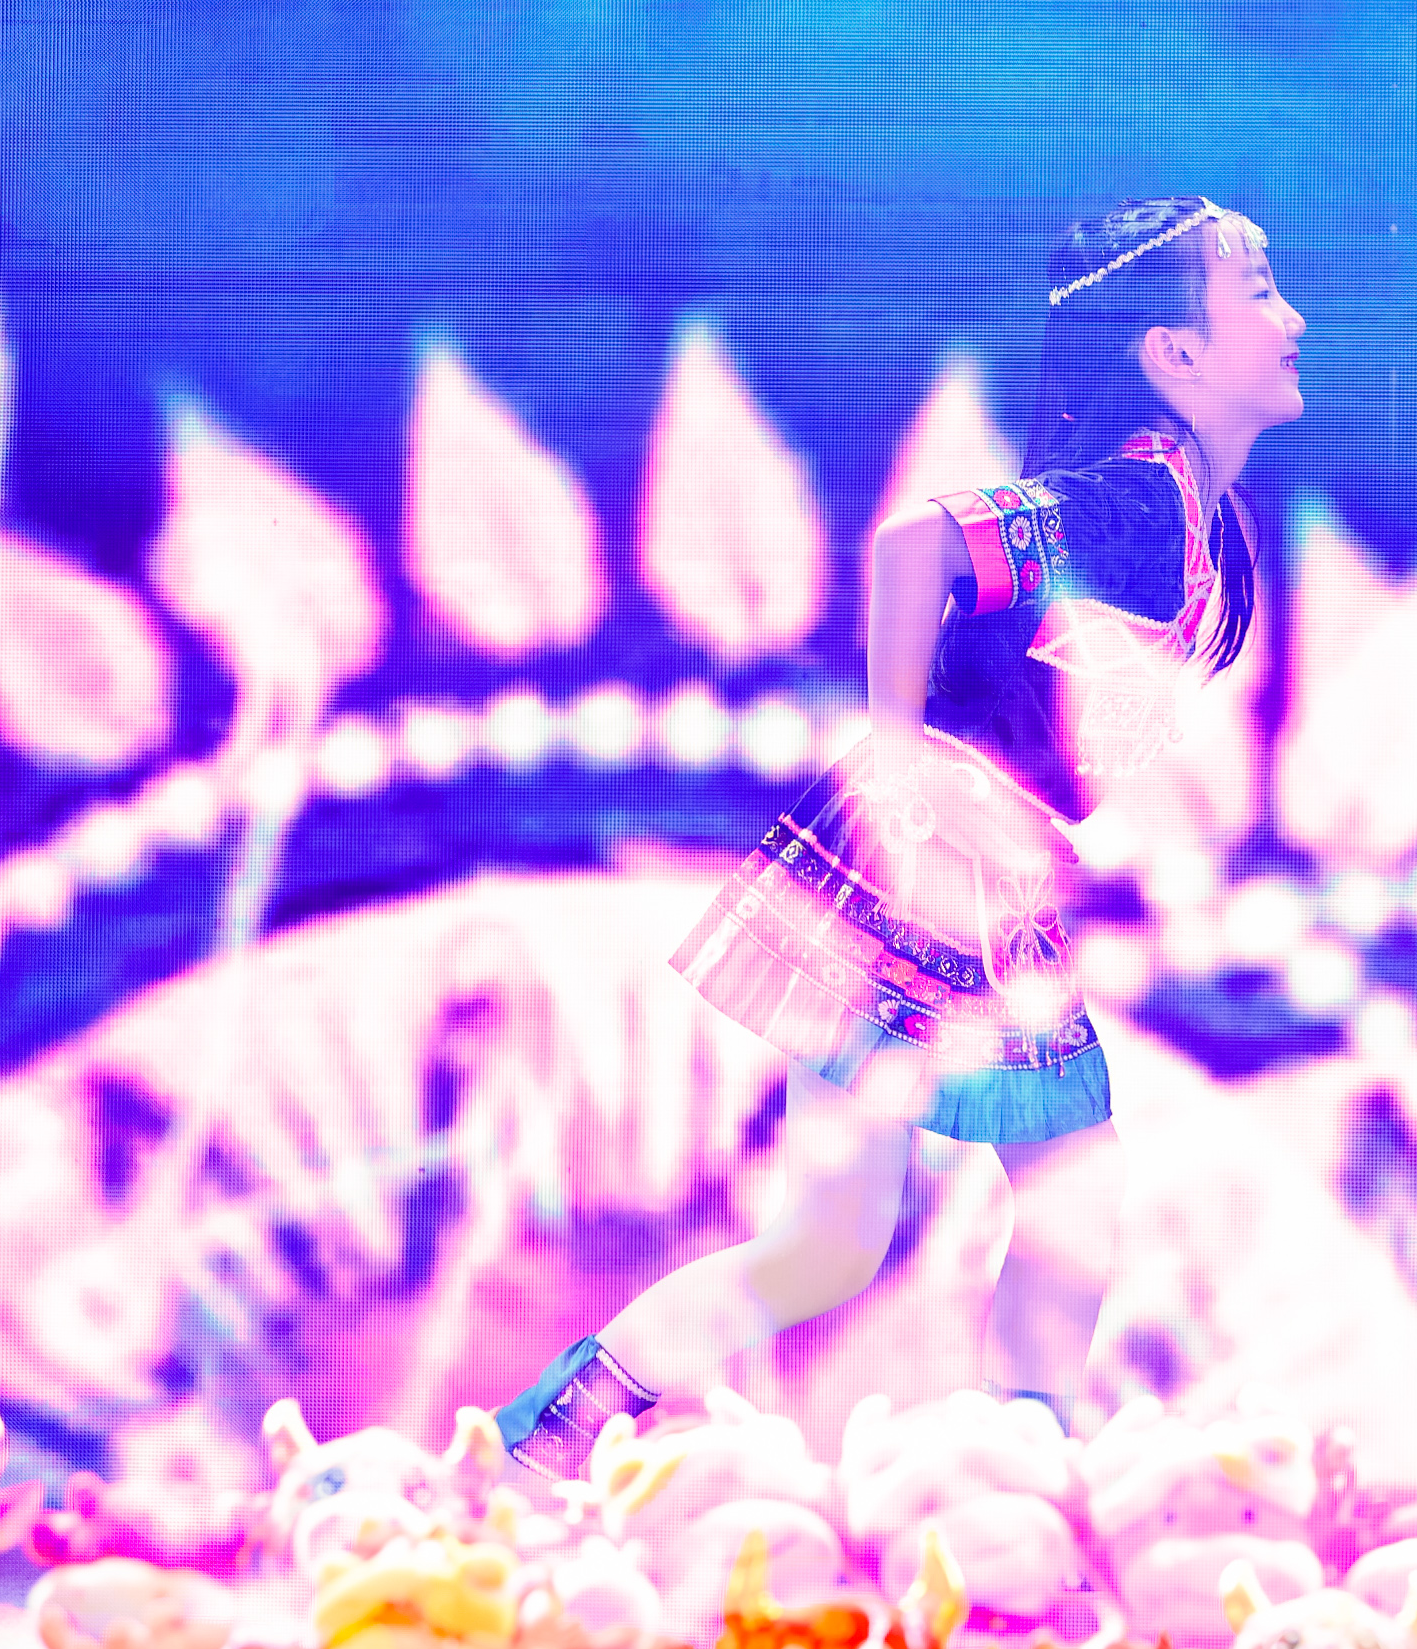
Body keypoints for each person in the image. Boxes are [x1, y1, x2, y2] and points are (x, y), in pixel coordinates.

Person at [493, 195, 1306, 1480]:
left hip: (957, 865)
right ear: (1174, 353)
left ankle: (554, 1438)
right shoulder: (1137, 502)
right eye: (1257, 292)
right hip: (945, 864)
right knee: (1058, 1195)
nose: (1292, 319)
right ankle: (1013, 1473)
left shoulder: (1192, 513)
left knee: (832, 1245)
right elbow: (913, 544)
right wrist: (899, 761)